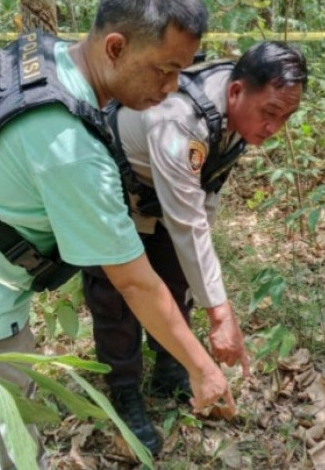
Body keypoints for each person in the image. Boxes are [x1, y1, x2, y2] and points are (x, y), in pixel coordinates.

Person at [0, 0, 234, 468]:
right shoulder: (71, 151)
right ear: (115, 47)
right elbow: (136, 284)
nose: (170, 89)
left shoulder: (43, 57)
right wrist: (203, 369)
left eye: (182, 73)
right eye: (163, 70)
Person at [81, 41, 308, 454]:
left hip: (163, 197)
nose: (275, 127)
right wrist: (221, 315)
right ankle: (124, 389)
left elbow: (203, 197)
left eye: (286, 117)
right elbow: (188, 222)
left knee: (176, 278)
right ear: (237, 91)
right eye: (270, 113)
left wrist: (205, 288)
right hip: (111, 191)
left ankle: (170, 365)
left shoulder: (237, 118)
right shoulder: (181, 120)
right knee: (116, 297)